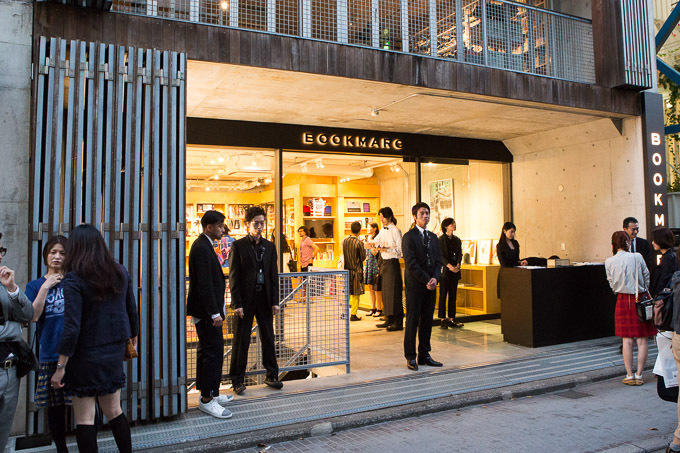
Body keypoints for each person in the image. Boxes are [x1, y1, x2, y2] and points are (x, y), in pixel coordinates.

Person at [50, 225, 139, 452]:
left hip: (84, 356)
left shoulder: (73, 279)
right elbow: (132, 311)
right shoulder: (119, 271)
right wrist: (132, 340)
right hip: (113, 353)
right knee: (114, 410)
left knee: (85, 418)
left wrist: (61, 367)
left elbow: (72, 328)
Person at [25, 236, 71, 453]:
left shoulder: (72, 282)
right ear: (46, 255)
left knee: (83, 402)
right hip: (49, 352)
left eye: (62, 253)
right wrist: (46, 286)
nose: (57, 256)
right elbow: (33, 316)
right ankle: (61, 448)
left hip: (73, 353)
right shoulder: (34, 285)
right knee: (55, 408)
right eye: (53, 252)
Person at [229, 206, 282, 395]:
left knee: (268, 336)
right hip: (245, 299)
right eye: (256, 224)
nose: (259, 227)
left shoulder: (269, 246)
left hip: (265, 298)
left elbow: (273, 275)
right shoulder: (238, 246)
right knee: (241, 340)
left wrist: (275, 301)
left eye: (262, 223)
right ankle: (237, 380)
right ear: (247, 224)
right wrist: (237, 304)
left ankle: (272, 375)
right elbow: (233, 277)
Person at [186, 210, 233, 419]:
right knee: (212, 352)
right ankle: (207, 399)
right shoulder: (201, 247)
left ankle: (211, 392)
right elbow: (204, 283)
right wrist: (214, 312)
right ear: (209, 227)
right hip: (207, 313)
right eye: (220, 225)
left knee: (207, 352)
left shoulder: (204, 245)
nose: (223, 229)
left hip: (208, 311)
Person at [604, 230, 656, 386]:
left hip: (622, 300)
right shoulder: (637, 257)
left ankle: (628, 374)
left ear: (613, 244)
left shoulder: (609, 261)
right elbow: (646, 276)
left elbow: (611, 283)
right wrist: (642, 288)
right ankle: (639, 375)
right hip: (639, 298)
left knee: (626, 340)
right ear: (627, 242)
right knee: (642, 340)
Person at [0, 232, 35, 452]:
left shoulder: (5, 282)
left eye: (0, 251)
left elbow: (29, 314)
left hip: (10, 370)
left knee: (3, 434)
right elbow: (16, 326)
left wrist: (13, 289)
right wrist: (13, 329)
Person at [402, 202, 442, 371]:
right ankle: (411, 356)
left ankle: (424, 354)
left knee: (427, 321)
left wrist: (435, 279)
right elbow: (411, 263)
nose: (425, 216)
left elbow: (438, 261)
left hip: (430, 286)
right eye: (422, 214)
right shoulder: (408, 237)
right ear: (415, 217)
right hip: (415, 286)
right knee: (412, 321)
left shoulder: (433, 237)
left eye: (427, 213)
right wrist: (427, 279)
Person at [373, 207, 404, 331]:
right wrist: (373, 245)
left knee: (394, 292)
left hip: (392, 263)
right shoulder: (382, 230)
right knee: (386, 292)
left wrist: (387, 249)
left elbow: (400, 251)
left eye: (383, 217)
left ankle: (398, 321)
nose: (381, 220)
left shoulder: (395, 230)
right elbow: (376, 242)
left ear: (389, 216)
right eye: (380, 217)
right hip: (384, 263)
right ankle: (389, 318)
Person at [438, 218, 463, 329]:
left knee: (453, 295)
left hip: (455, 271)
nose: (454, 225)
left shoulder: (457, 240)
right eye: (452, 224)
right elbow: (440, 256)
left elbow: (459, 254)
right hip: (445, 272)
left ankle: (451, 318)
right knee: (443, 295)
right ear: (446, 226)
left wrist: (457, 265)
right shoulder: (440, 240)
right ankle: (442, 319)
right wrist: (450, 267)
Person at [343, 222, 366, 321]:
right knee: (356, 293)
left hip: (347, 270)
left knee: (347, 292)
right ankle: (353, 314)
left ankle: (344, 312)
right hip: (357, 271)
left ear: (351, 229)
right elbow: (363, 257)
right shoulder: (359, 243)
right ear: (359, 231)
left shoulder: (345, 241)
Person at [650, 227, 677, 297]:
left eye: (655, 240)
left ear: (661, 240)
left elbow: (664, 279)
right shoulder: (669, 256)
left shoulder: (667, 258)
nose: (652, 242)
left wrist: (657, 295)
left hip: (663, 298)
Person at [364, 222, 383, 317]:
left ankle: (379, 308)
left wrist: (370, 241)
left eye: (369, 227)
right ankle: (373, 308)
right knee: (370, 287)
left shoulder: (377, 238)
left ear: (375, 228)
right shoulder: (368, 238)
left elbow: (375, 253)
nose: (367, 229)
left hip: (375, 264)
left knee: (377, 288)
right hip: (368, 264)